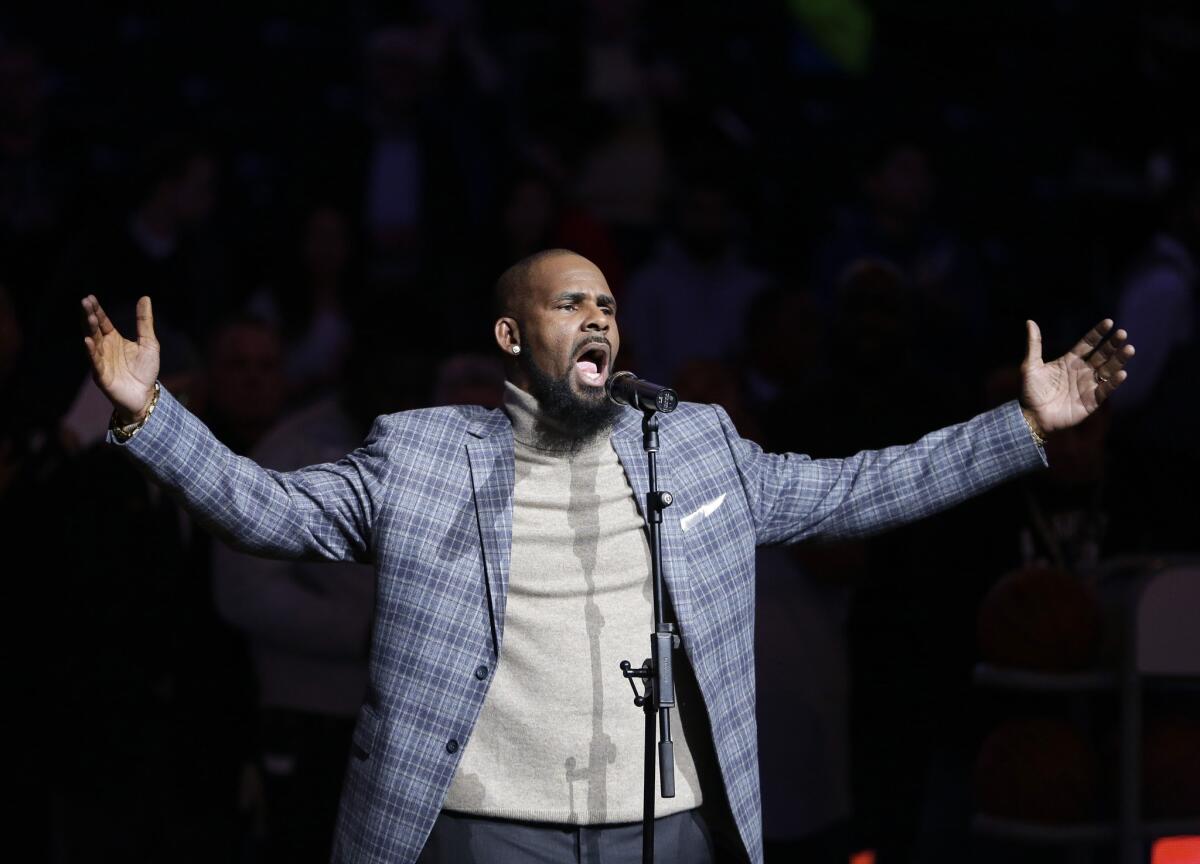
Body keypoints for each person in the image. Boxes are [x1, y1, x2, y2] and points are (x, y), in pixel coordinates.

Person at [80, 249, 1134, 864]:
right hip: (486, 832)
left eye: (609, 306)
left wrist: (1021, 426)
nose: (598, 316)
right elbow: (267, 513)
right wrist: (152, 414)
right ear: (508, 337)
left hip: (662, 833)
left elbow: (864, 486)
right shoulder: (424, 454)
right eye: (568, 301)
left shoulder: (697, 445)